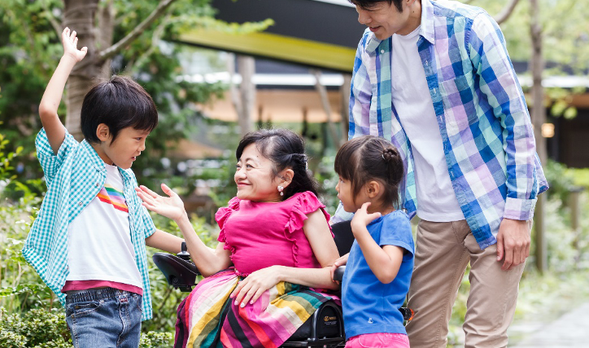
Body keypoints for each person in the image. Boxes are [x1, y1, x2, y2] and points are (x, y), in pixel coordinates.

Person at [335, 0, 549, 348]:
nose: (362, 18)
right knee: (417, 336)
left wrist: (519, 215)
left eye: (370, 7)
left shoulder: (470, 30)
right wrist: (348, 224)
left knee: (484, 338)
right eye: (357, 7)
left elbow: (516, 122)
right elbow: (361, 142)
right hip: (428, 215)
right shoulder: (371, 49)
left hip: (494, 205)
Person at [22, 27, 184, 348]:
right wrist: (69, 59)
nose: (142, 147)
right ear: (104, 132)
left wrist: (193, 249)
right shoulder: (73, 159)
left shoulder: (127, 180)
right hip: (91, 301)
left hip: (132, 301)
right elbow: (47, 112)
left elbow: (147, 233)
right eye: (137, 138)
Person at [137, 129, 341, 348]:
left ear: (285, 177)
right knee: (197, 304)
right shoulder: (235, 209)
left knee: (241, 311)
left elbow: (334, 275)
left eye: (249, 166)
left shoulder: (303, 207)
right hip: (243, 294)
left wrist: (278, 272)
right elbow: (213, 265)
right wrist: (181, 217)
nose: (239, 174)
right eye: (239, 166)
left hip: (291, 297)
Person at [333, 135, 414, 348]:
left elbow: (387, 271)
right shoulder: (372, 227)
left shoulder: (395, 222)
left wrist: (359, 231)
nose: (337, 187)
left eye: (343, 180)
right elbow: (380, 254)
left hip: (380, 335)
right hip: (366, 334)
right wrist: (355, 257)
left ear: (371, 189)